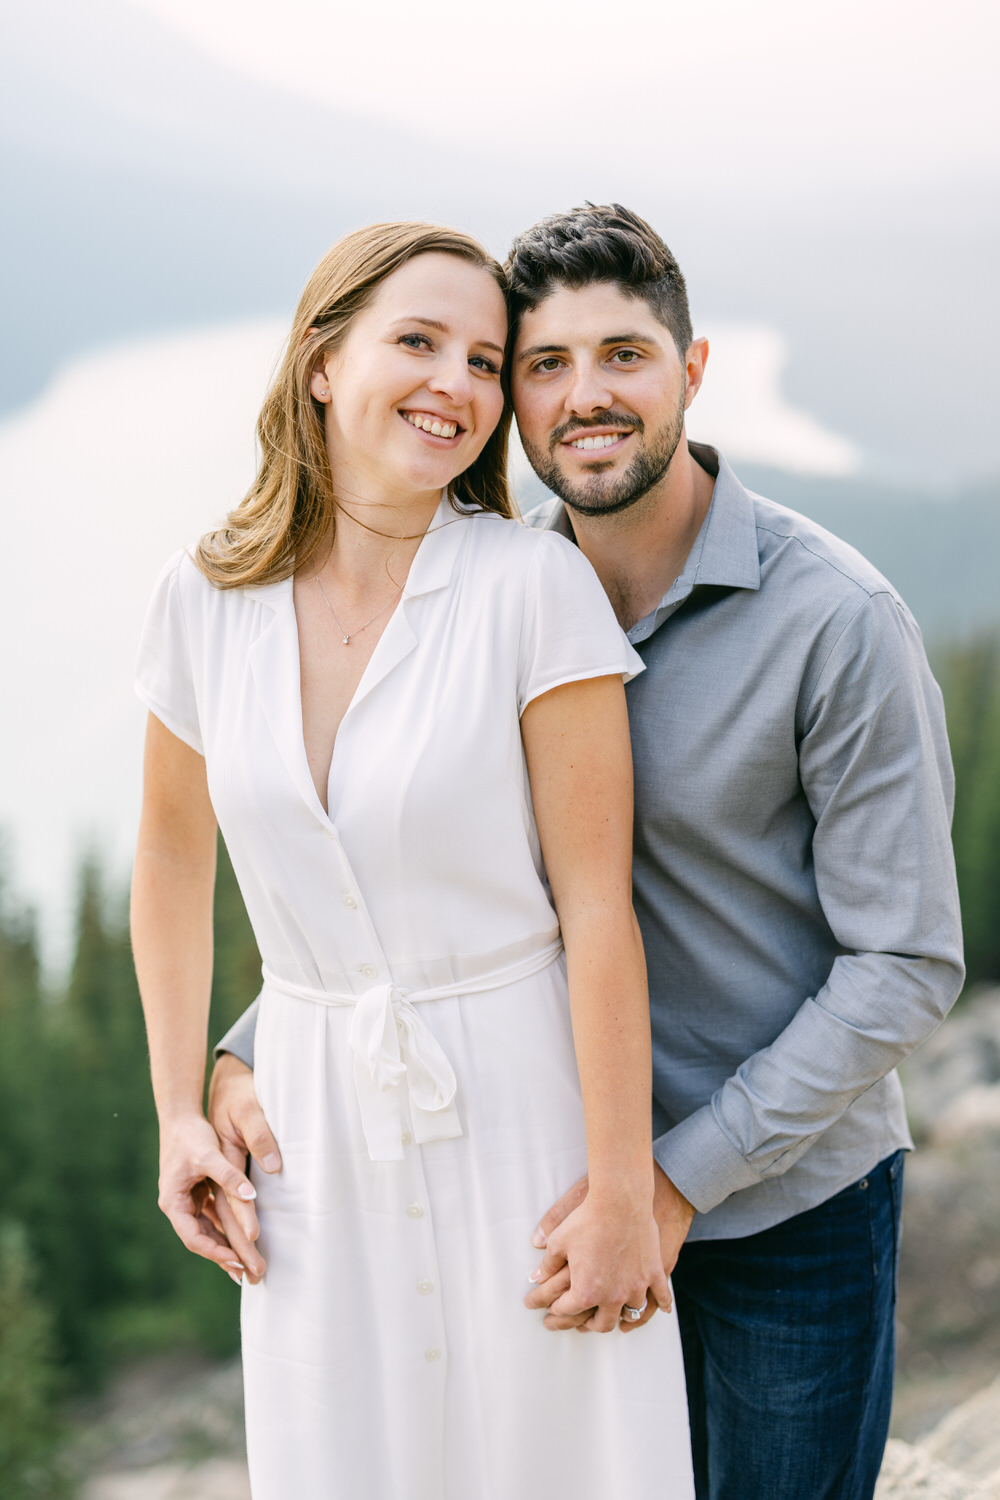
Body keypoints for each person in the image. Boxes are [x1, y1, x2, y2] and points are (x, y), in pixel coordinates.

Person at [208, 205, 965, 1500]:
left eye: (623, 354)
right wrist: (249, 1050)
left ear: (695, 368)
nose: (584, 397)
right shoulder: (492, 594)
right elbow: (426, 880)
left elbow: (904, 965)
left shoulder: (836, 623)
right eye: (543, 365)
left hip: (784, 1220)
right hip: (548, 1188)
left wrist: (670, 1182)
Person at [131, 220, 694, 1500]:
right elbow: (170, 864)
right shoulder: (200, 597)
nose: (458, 384)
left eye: (487, 361)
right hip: (312, 1132)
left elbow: (598, 909)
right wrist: (180, 1110)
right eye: (419, 342)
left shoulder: (528, 585)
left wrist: (617, 1191)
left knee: (567, 1462)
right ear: (323, 362)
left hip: (526, 1111)